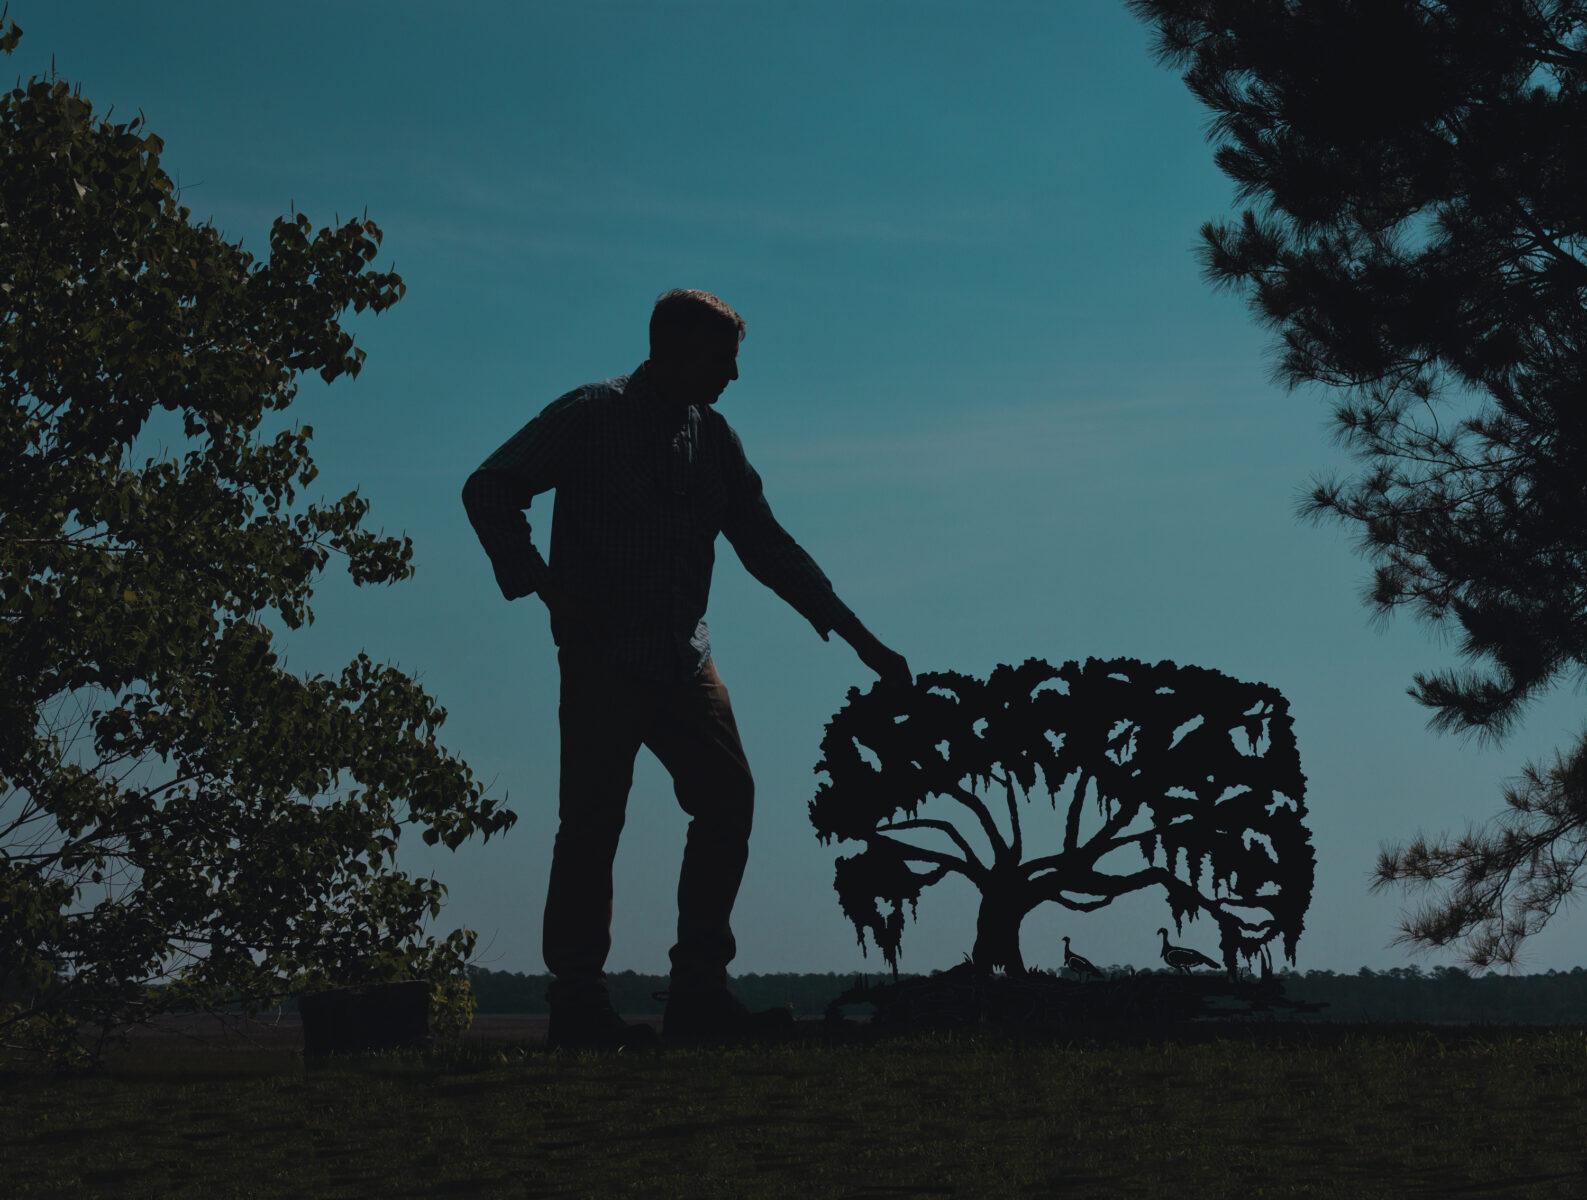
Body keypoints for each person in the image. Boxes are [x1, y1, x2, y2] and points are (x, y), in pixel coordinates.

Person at [462, 289, 910, 1049]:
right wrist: (542, 585)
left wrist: (858, 637)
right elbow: (490, 486)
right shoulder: (590, 414)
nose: (733, 375)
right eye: (720, 359)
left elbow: (765, 544)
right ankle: (578, 1004)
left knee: (728, 800)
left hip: (685, 657)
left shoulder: (716, 439)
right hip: (603, 654)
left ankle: (698, 993)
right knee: (592, 823)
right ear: (670, 350)